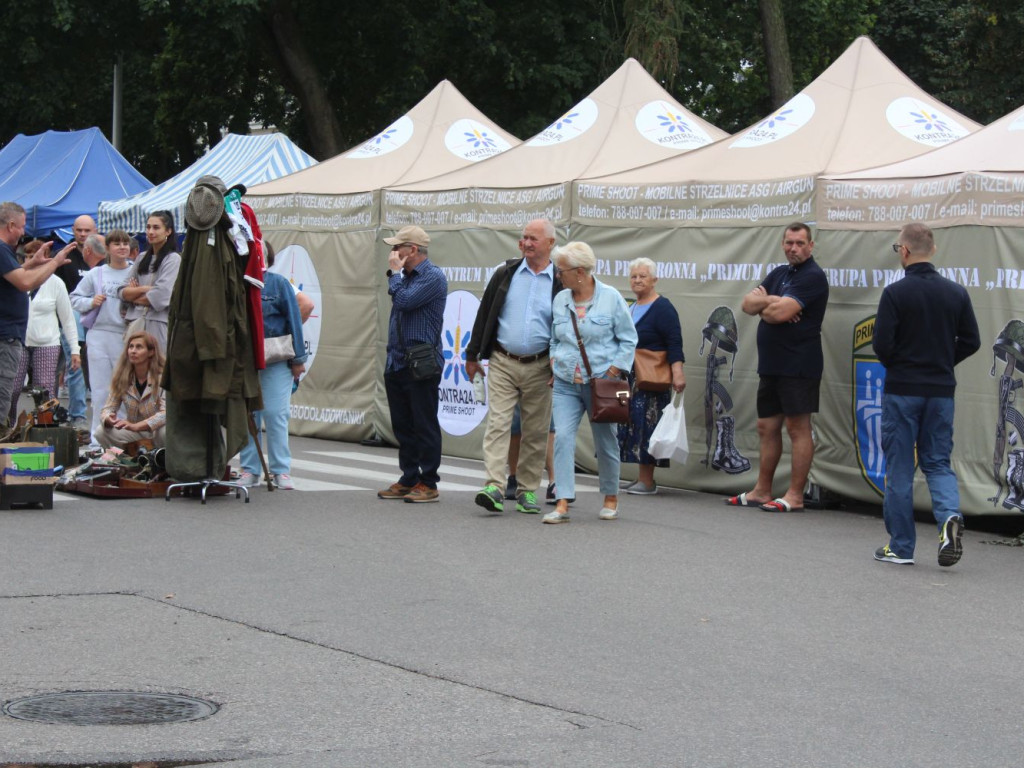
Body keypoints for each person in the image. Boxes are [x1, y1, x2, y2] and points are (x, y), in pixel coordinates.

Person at [871, 223, 980, 566]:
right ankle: (949, 517)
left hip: (903, 389)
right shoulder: (956, 293)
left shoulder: (895, 294)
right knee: (937, 463)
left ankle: (901, 547)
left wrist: (903, 365)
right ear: (932, 250)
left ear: (904, 251)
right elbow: (972, 341)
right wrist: (943, 363)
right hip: (940, 391)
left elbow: (881, 345)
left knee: (900, 467)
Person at [728, 222, 829, 513]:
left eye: (799, 243)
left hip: (799, 365)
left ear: (810, 246)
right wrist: (771, 302)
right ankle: (762, 490)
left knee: (798, 429)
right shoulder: (780, 274)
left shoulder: (813, 277)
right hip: (771, 365)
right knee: (765, 426)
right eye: (789, 243)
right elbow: (747, 305)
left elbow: (780, 314)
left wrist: (769, 304)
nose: (793, 248)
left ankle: (795, 495)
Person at [466, 218, 562, 514]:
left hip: (541, 366)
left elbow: (566, 325)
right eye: (524, 238)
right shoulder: (505, 273)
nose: (527, 243)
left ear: (550, 244)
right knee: (498, 423)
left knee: (535, 430)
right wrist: (472, 356)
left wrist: (560, 363)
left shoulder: (560, 281)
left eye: (534, 238)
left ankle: (527, 491)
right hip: (503, 360)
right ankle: (494, 485)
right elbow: (484, 314)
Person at [543, 241, 637, 524]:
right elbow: (554, 337)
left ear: (580, 271)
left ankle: (610, 497)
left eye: (562, 271)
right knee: (562, 439)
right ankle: (562, 502)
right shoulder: (561, 300)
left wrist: (612, 371)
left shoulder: (611, 298)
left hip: (601, 383)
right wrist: (553, 359)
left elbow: (628, 339)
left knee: (606, 441)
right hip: (564, 382)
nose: (559, 276)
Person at [377, 225, 448, 503]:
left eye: (398, 247)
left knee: (424, 423)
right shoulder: (404, 277)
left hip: (421, 362)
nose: (393, 252)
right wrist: (398, 275)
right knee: (403, 424)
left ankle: (428, 481)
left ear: (413, 250)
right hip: (397, 360)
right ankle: (409, 476)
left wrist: (394, 274)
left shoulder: (432, 277)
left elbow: (405, 302)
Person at [237, 248, 308, 490]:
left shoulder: (278, 284)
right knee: (249, 415)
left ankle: (281, 470)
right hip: (244, 359)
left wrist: (298, 358)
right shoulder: (238, 282)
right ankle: (250, 469)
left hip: (275, 358)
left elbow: (294, 320)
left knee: (276, 414)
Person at [0, 201, 71, 431]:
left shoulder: (4, 252)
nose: (23, 233)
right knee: (3, 396)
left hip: (10, 337)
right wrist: (55, 263)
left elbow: (17, 275)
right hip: (5, 339)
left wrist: (33, 263)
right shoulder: (1, 249)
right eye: (21, 227)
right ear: (11, 225)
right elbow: (25, 283)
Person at [618, 257, 686, 495]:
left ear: (654, 280)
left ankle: (647, 481)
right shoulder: (631, 307)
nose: (637, 280)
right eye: (634, 276)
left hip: (651, 379)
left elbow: (675, 342)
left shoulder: (663, 307)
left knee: (648, 426)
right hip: (630, 377)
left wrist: (677, 372)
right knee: (631, 425)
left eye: (643, 276)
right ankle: (640, 477)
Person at [70, 229, 134, 445]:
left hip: (126, 337)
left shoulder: (136, 272)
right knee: (99, 390)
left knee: (124, 389)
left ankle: (122, 439)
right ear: (107, 248)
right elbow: (75, 298)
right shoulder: (96, 274)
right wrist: (91, 302)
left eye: (125, 243)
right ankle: (98, 440)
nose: (122, 247)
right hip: (98, 335)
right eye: (117, 244)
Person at [7, 244, 81, 424]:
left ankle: (46, 430)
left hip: (47, 342)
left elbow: (68, 319)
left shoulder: (56, 283)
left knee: (45, 390)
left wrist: (75, 350)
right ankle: (6, 427)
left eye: (37, 255)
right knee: (12, 388)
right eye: (28, 256)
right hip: (19, 340)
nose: (32, 259)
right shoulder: (16, 280)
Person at [54, 214, 100, 429]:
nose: (82, 234)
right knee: (75, 367)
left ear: (95, 230)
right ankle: (77, 415)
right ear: (73, 230)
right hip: (71, 318)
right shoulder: (65, 256)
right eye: (79, 230)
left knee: (96, 365)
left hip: (98, 318)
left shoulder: (101, 255)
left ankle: (99, 414)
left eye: (86, 230)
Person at [118, 211, 180, 354]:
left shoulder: (173, 259)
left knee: (156, 370)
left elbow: (161, 296)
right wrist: (145, 289)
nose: (150, 232)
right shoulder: (141, 258)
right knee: (133, 371)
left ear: (168, 231)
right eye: (148, 227)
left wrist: (133, 296)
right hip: (135, 323)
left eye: (156, 227)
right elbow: (121, 292)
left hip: (157, 324)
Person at [94, 331, 166, 449]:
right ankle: (126, 460)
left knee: (165, 431)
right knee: (100, 432)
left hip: (156, 430)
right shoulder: (122, 377)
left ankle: (163, 462)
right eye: (131, 347)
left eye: (139, 347)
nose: (133, 351)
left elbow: (165, 414)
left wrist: (138, 426)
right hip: (134, 431)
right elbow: (108, 408)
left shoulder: (162, 377)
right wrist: (108, 419)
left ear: (151, 352)